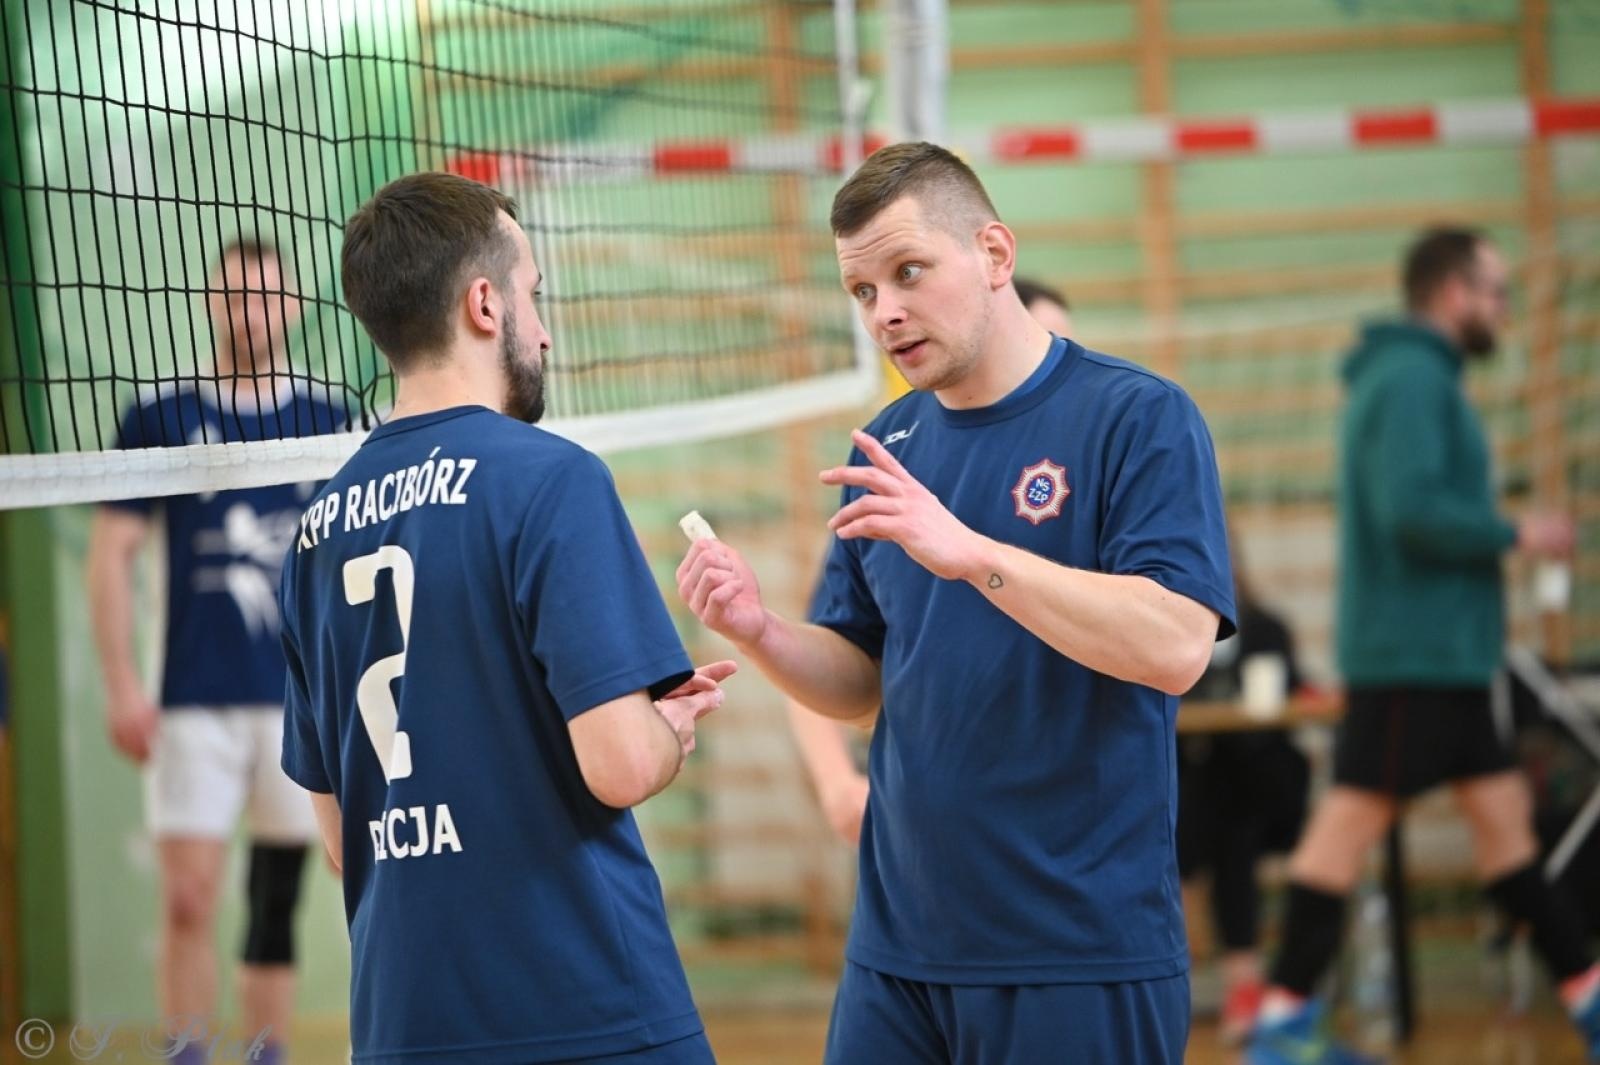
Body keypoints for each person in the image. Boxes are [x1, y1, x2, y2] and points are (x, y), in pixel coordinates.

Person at [679, 142, 1235, 1064]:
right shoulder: (887, 443)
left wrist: (973, 553)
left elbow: (1177, 646)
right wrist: (762, 630)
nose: (885, 311)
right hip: (897, 952)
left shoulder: (1138, 416)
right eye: (862, 291)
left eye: (908, 272)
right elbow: (862, 679)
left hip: (1076, 951)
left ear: (994, 254)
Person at [278, 171, 732, 1065]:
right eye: (534, 294)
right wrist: (669, 731)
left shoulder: (314, 531)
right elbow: (620, 764)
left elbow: (340, 838)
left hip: (403, 1023)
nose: (545, 328)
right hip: (583, 1008)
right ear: (484, 304)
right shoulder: (552, 478)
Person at [1246, 227, 1600, 1065]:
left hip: (1446, 661)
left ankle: (1588, 1002)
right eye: (1495, 290)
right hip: (1414, 663)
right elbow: (1411, 508)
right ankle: (1279, 1027)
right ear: (1452, 292)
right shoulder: (1410, 380)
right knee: (1342, 833)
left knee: (1508, 839)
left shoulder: (1420, 376)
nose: (1503, 308)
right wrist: (1515, 530)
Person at [87, 238, 341, 1065]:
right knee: (189, 898)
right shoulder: (159, 415)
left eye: (264, 297)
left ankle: (266, 1055)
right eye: (234, 296)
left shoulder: (329, 417)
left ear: (292, 307)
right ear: (210, 302)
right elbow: (111, 554)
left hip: (296, 702)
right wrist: (121, 683)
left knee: (274, 904)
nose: (249, 313)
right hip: (190, 698)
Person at [786, 276, 1074, 847]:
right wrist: (837, 784)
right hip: (926, 835)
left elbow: (1171, 642)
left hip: (1061, 823)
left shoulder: (1101, 446)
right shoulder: (896, 466)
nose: (1054, 364)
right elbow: (835, 645)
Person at [1179, 530, 1315, 1044]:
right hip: (1201, 791)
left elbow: (1288, 698)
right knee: (1214, 811)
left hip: (1264, 790)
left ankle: (1236, 981)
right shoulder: (1173, 629)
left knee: (1229, 814)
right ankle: (1241, 980)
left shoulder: (1266, 628)